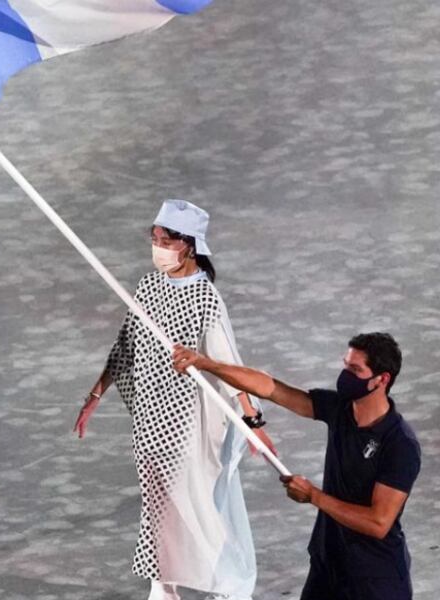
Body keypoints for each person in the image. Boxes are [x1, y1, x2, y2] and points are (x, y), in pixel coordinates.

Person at [74, 199, 276, 600]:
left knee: (194, 506)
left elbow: (227, 363)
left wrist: (252, 421)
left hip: (184, 424)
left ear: (187, 244)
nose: (157, 246)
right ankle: (163, 586)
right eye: (154, 238)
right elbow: (125, 345)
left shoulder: (205, 298)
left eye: (164, 239)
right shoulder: (148, 285)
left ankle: (221, 585)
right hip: (148, 420)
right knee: (157, 506)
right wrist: (96, 394)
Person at [173, 332, 421, 600]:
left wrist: (314, 496)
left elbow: (378, 522)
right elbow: (271, 388)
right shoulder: (341, 409)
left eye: (355, 369)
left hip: (374, 581)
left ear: (382, 379)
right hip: (328, 565)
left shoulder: (400, 445)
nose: (344, 375)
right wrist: (206, 364)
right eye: (345, 365)